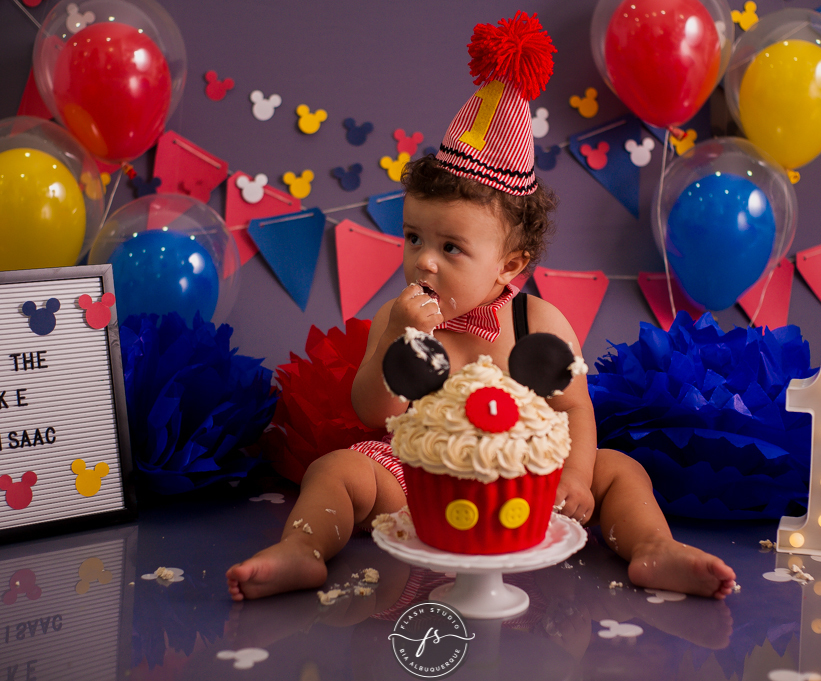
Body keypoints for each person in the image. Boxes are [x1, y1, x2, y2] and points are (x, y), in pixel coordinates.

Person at [227, 11, 735, 602]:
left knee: (622, 469)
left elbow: (574, 409)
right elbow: (372, 411)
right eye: (413, 236)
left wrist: (573, 477)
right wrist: (398, 337)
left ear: (511, 265)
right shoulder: (402, 317)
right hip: (423, 482)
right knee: (337, 468)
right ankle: (303, 548)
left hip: (528, 485)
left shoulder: (537, 325)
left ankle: (653, 547)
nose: (424, 261)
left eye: (451, 248)